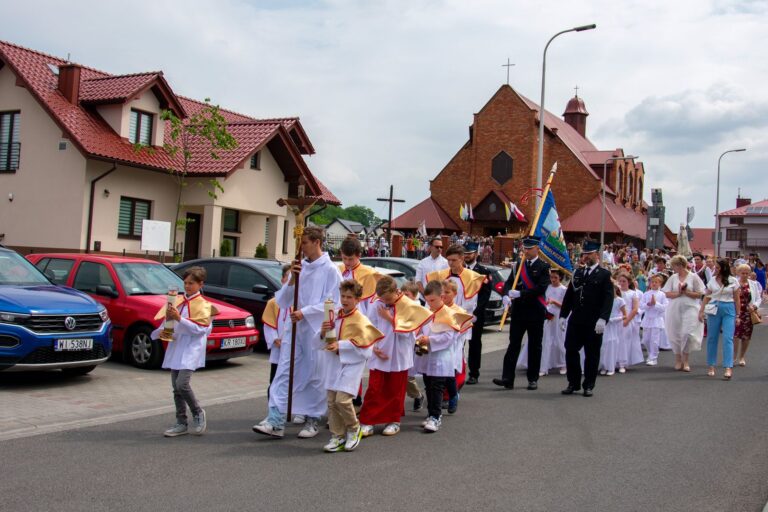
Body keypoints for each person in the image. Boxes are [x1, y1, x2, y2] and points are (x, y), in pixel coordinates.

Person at [253, 227, 342, 439]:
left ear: (317, 242)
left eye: (304, 242)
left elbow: (333, 303)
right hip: (294, 328)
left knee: (314, 374)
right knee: (284, 372)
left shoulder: (330, 270)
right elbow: (283, 301)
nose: (301, 247)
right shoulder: (300, 267)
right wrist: (292, 279)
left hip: (316, 329)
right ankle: (275, 420)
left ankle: (312, 419)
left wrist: (306, 312)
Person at [360, 276, 432, 437]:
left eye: (388, 299)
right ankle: (368, 421)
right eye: (382, 299)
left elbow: (409, 333)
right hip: (379, 353)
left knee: (395, 389)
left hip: (399, 354)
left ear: (395, 292)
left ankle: (393, 420)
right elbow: (369, 327)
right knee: (374, 388)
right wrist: (373, 348)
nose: (385, 302)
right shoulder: (376, 304)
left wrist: (389, 318)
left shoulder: (408, 304)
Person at [317, 280, 384, 453]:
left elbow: (366, 350)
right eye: (343, 296)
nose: (345, 300)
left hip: (351, 365)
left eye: (349, 297)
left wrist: (341, 345)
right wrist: (323, 331)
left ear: (357, 299)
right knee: (331, 402)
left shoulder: (361, 320)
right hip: (333, 363)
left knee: (342, 400)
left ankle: (354, 429)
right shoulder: (334, 314)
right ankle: (337, 436)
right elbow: (319, 341)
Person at [152, 266, 214, 437]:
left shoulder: (205, 305)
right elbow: (169, 323)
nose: (187, 286)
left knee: (182, 384)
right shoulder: (177, 302)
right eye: (185, 283)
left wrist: (180, 319)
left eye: (191, 283)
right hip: (177, 347)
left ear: (201, 284)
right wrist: (162, 331)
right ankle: (181, 422)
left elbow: (201, 330)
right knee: (175, 388)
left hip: (191, 348)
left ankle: (198, 412)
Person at [426, 244, 484, 399]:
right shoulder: (440, 275)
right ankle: (440, 391)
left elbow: (470, 303)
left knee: (455, 355)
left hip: (459, 321)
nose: (450, 263)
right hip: (441, 321)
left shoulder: (471, 277)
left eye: (454, 260)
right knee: (439, 356)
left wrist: (460, 319)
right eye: (449, 260)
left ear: (462, 258)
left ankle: (452, 390)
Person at [414, 280, 472, 433]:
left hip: (441, 357)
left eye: (433, 300)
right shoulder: (427, 311)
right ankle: (430, 414)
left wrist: (430, 340)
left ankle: (436, 416)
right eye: (427, 301)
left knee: (437, 387)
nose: (430, 304)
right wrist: (419, 338)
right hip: (427, 355)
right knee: (428, 385)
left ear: (442, 297)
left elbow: (449, 337)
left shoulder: (450, 315)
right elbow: (419, 329)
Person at [494, 237, 550, 391]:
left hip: (535, 311)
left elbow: (541, 288)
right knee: (513, 344)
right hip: (519, 311)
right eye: (525, 248)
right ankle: (507, 378)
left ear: (537, 249)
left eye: (529, 248)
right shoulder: (518, 265)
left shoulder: (544, 267)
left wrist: (521, 293)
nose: (526, 251)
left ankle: (532, 379)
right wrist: (506, 295)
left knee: (534, 346)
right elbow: (508, 283)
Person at [559, 240, 614, 397]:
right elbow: (569, 296)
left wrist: (603, 318)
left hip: (593, 321)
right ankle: (573, 382)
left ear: (597, 254)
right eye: (584, 254)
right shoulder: (578, 273)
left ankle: (588, 384)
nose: (586, 256)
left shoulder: (604, 275)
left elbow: (608, 299)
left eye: (589, 254)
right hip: (576, 320)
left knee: (592, 354)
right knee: (571, 350)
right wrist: (563, 315)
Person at [662, 255, 705, 371]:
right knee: (675, 333)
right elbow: (666, 293)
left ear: (680, 265)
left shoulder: (693, 277)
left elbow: (700, 294)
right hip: (675, 308)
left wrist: (687, 292)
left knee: (687, 333)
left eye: (674, 266)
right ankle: (678, 359)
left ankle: (685, 360)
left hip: (690, 308)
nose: (673, 268)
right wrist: (678, 293)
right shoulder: (673, 277)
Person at [699, 258, 740, 379]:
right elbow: (707, 296)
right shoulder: (712, 280)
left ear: (723, 268)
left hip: (729, 308)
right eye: (715, 267)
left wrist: (738, 315)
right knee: (712, 338)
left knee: (728, 338)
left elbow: (737, 299)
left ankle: (728, 367)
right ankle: (711, 365)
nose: (715, 269)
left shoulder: (733, 280)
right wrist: (701, 311)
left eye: (717, 267)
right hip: (714, 308)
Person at [463, 241, 493, 385]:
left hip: (476, 314)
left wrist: (476, 312)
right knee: (458, 343)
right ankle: (457, 371)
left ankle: (474, 373)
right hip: (461, 312)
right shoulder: (460, 269)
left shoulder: (483, 271)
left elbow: (485, 295)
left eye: (469, 254)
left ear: (476, 254)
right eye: (465, 254)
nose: (467, 256)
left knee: (474, 344)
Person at [261, 264, 292, 396]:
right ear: (282, 279)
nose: (291, 280)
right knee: (274, 380)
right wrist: (275, 339)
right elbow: (268, 324)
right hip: (279, 348)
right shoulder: (273, 302)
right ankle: (272, 406)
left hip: (293, 348)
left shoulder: (300, 301)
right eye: (288, 277)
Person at [338, 236, 380, 316]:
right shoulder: (337, 270)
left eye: (350, 259)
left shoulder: (369, 274)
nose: (347, 262)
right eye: (344, 258)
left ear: (359, 256)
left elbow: (371, 306)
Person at [401, 281, 426, 411]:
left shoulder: (418, 309)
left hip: (414, 345)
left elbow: (418, 328)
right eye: (402, 294)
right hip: (402, 344)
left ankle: (418, 395)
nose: (404, 297)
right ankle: (416, 395)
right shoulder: (401, 307)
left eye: (407, 294)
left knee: (408, 375)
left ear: (415, 296)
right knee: (402, 375)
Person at [733, 263, 762, 367]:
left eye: (747, 273)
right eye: (743, 273)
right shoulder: (734, 283)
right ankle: (734, 357)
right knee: (735, 335)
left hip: (748, 313)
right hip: (735, 312)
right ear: (738, 273)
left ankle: (742, 357)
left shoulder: (753, 284)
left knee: (746, 336)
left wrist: (754, 306)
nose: (745, 275)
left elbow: (758, 298)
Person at [616, 273, 644, 373]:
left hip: (628, 319)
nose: (622, 283)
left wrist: (627, 320)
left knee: (625, 342)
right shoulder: (616, 293)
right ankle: (614, 362)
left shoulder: (632, 293)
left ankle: (623, 363)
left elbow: (635, 308)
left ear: (628, 282)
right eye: (620, 281)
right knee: (616, 341)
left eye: (624, 281)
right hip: (616, 319)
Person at [640, 274, 668, 367]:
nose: (654, 284)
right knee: (646, 340)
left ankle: (653, 358)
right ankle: (650, 354)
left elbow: (664, 307)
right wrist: (648, 304)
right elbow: (641, 305)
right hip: (647, 319)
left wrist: (656, 304)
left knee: (654, 340)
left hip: (657, 319)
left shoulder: (662, 294)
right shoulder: (646, 294)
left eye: (656, 282)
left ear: (660, 283)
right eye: (652, 282)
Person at [599, 285, 626, 376]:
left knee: (612, 345)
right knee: (603, 345)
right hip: (605, 325)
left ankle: (611, 367)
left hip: (614, 326)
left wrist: (614, 320)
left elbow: (625, 315)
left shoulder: (620, 300)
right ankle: (603, 366)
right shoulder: (604, 300)